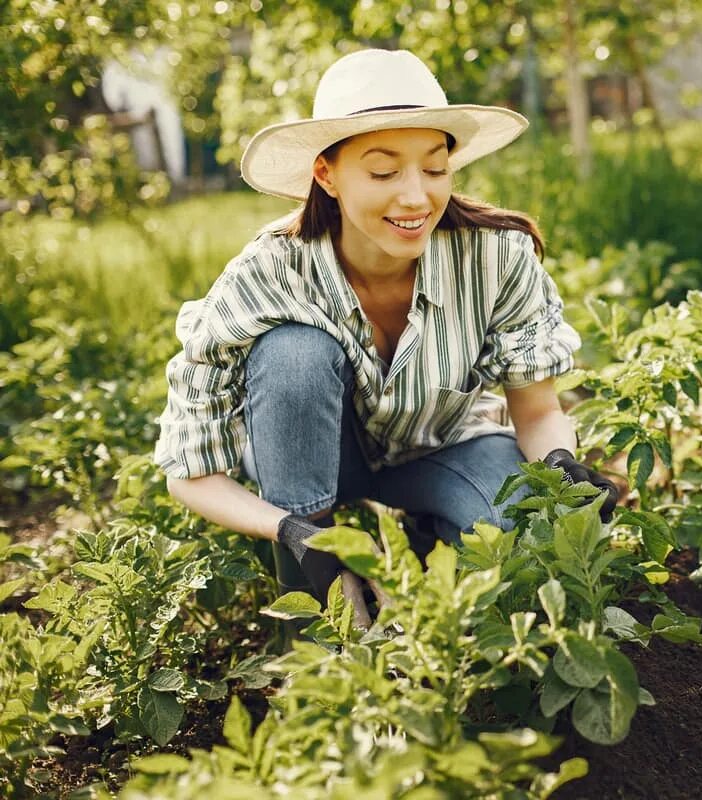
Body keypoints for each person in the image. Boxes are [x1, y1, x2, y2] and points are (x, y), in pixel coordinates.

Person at [153, 48, 619, 613]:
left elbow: (539, 412)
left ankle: (424, 543)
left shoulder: (495, 257)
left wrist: (559, 467)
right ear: (326, 175)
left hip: (440, 446)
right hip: (307, 461)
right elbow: (190, 473)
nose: (416, 196)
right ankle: (315, 594)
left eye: (435, 168)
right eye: (383, 171)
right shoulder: (270, 273)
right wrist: (295, 531)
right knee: (293, 352)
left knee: (516, 534)